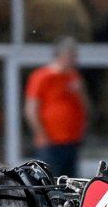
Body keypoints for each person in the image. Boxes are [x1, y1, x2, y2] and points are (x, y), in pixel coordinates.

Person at [25, 38, 89, 178]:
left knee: (69, 181)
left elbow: (84, 106)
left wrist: (80, 92)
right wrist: (41, 134)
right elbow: (31, 108)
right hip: (50, 141)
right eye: (72, 56)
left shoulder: (73, 77)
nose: (75, 60)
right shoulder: (42, 76)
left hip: (71, 141)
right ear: (61, 56)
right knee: (51, 179)